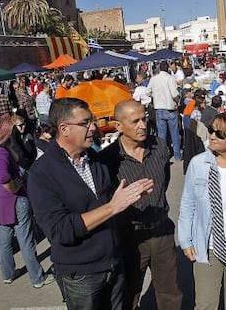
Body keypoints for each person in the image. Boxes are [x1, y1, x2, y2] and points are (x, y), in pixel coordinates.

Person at [27, 97, 153, 310]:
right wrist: (113, 207)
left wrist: (131, 194)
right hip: (82, 274)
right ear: (64, 129)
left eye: (92, 121)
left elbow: (107, 198)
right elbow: (60, 230)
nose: (94, 127)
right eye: (86, 122)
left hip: (113, 262)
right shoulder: (42, 173)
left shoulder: (93, 158)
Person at [99, 100, 183, 310]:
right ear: (118, 126)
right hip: (129, 237)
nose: (142, 125)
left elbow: (164, 181)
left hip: (162, 231)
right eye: (135, 121)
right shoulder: (108, 160)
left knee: (169, 293)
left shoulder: (160, 146)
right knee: (128, 293)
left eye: (144, 118)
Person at [178, 112, 226, 310]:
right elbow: (187, 203)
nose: (212, 136)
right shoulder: (199, 164)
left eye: (219, 133)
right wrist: (185, 240)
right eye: (211, 130)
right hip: (208, 245)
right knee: (206, 303)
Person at [0, 113, 53, 288]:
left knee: (5, 238)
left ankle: (8, 273)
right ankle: (37, 277)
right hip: (14, 199)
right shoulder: (0, 152)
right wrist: (12, 186)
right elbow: (5, 176)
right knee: (25, 238)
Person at [146, 61, 182, 160]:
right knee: (174, 133)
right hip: (170, 109)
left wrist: (155, 96)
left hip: (159, 109)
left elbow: (147, 92)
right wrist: (178, 101)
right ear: (168, 68)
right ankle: (177, 155)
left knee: (161, 135)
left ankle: (162, 156)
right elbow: (174, 94)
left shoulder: (154, 79)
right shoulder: (170, 78)